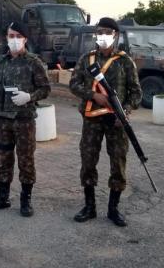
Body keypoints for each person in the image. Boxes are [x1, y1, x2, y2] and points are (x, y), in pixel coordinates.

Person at [69, 17, 142, 227]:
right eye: (99, 32)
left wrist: (126, 111)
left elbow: (136, 92)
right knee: (88, 161)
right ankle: (89, 207)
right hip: (92, 120)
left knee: (118, 163)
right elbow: (74, 84)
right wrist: (93, 95)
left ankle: (113, 209)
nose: (102, 36)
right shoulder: (87, 59)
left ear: (115, 35)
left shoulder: (125, 61)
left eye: (107, 32)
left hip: (116, 122)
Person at [0, 22, 50, 217]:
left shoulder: (33, 62)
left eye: (17, 36)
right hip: (3, 120)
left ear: (25, 39)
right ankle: (2, 198)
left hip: (24, 120)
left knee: (26, 160)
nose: (13, 40)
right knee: (4, 160)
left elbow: (45, 89)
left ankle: (25, 200)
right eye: (10, 36)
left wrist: (29, 96)